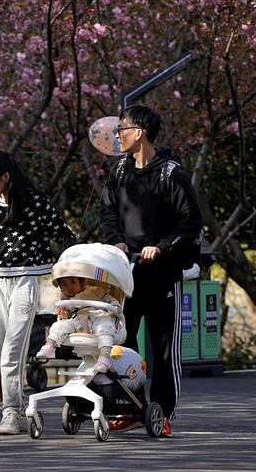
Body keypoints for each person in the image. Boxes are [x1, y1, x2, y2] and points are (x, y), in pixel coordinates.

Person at [99, 105, 203, 437]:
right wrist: (115, 242)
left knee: (163, 349)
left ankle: (162, 411)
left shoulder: (171, 174)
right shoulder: (118, 171)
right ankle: (129, 406)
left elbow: (191, 224)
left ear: (139, 132)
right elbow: (108, 213)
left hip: (163, 276)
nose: (118, 136)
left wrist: (162, 246)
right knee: (121, 344)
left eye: (122, 130)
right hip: (126, 276)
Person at [0, 150, 76, 435]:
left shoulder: (36, 203)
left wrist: (76, 265)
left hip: (27, 280)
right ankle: (15, 412)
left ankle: (9, 413)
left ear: (6, 176)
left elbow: (64, 235)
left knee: (11, 352)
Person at [35, 275, 123, 372]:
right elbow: (65, 317)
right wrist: (64, 315)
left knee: (105, 325)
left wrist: (115, 307)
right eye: (64, 284)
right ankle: (50, 345)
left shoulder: (95, 292)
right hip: (77, 324)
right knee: (59, 325)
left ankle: (104, 357)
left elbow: (111, 301)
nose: (70, 287)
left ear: (80, 282)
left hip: (97, 318)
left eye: (73, 282)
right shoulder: (66, 302)